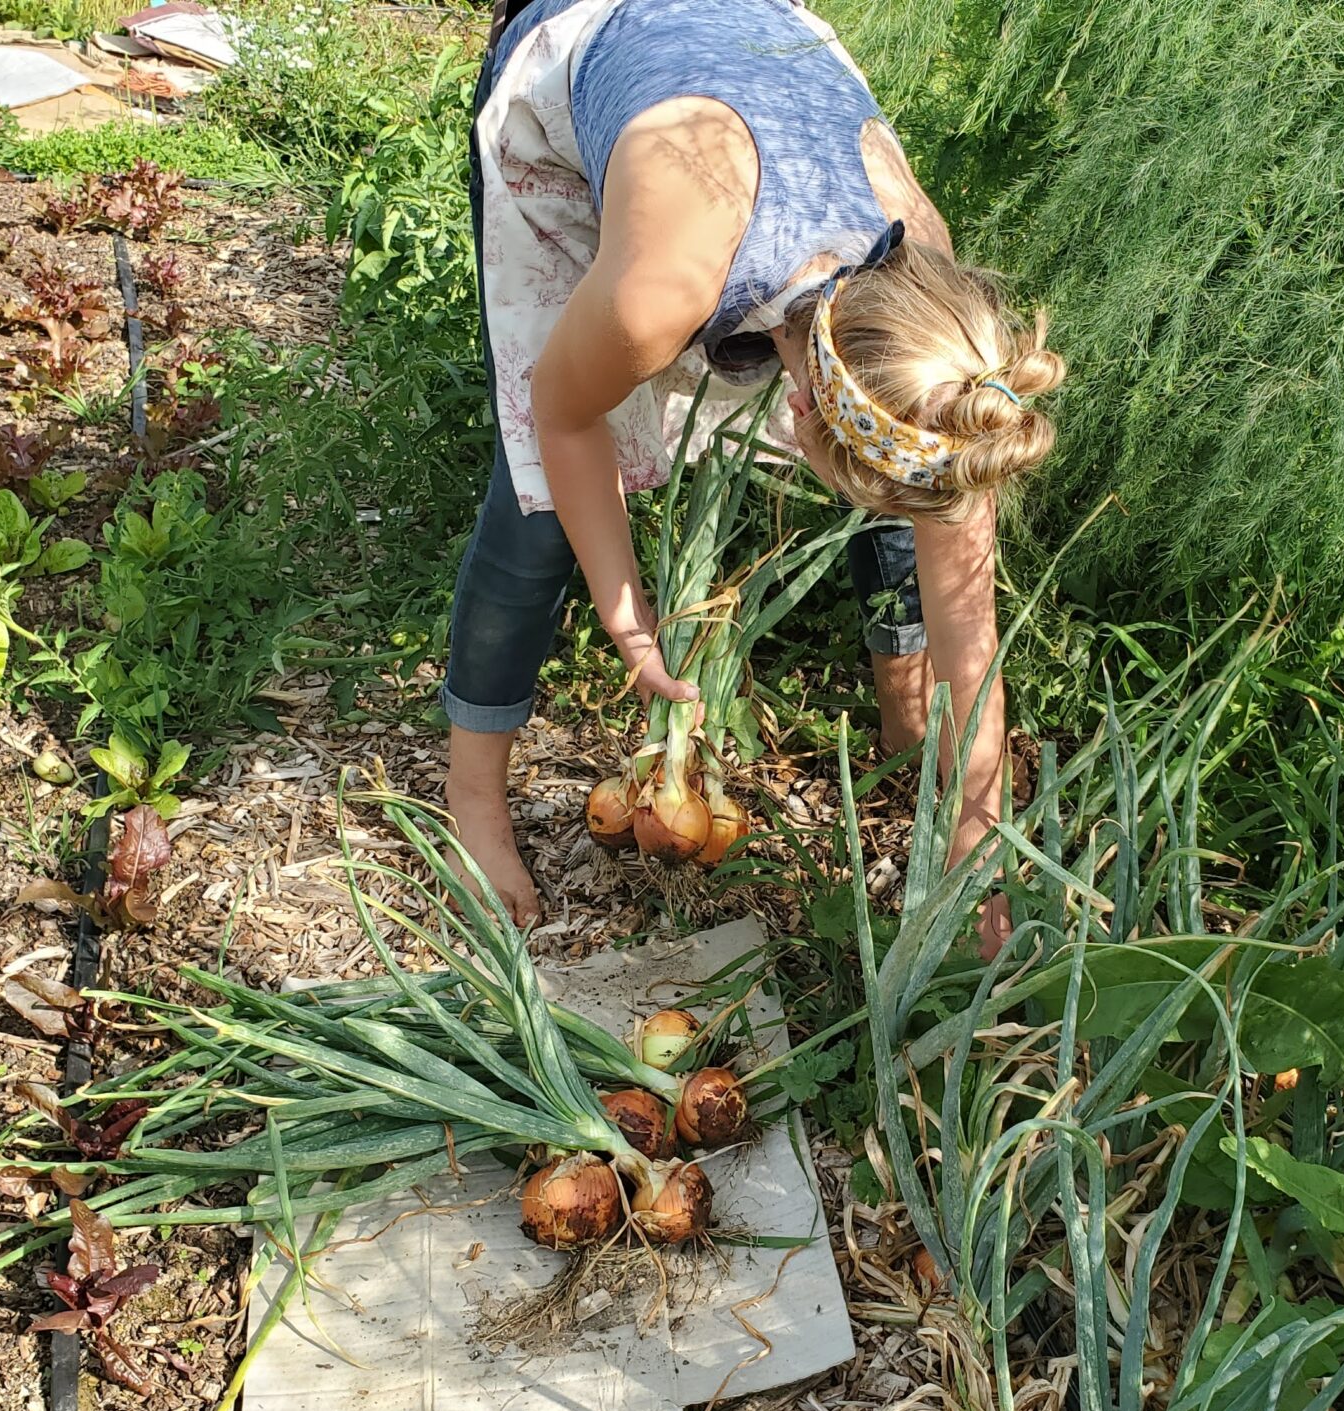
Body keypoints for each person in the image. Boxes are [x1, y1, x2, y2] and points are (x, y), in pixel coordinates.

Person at [444, 0, 1064, 945]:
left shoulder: (936, 340)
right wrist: (628, 620)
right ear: (801, 411)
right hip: (589, 44)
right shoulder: (664, 284)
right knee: (535, 503)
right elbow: (564, 416)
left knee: (908, 498)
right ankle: (472, 800)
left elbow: (964, 605)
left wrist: (980, 824)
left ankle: (910, 728)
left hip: (749, 54)